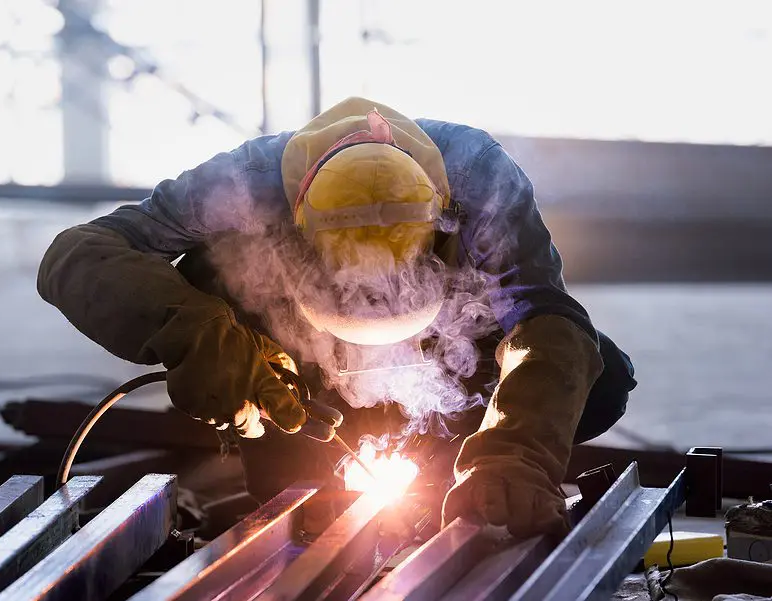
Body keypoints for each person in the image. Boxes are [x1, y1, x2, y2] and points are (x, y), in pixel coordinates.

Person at [37, 97, 636, 539]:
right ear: (297, 229)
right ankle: (294, 468)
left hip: (445, 363)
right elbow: (79, 252)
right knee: (299, 521)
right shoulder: (246, 183)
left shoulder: (478, 176)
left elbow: (547, 322)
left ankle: (448, 469)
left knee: (599, 375)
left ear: (442, 223)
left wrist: (516, 450)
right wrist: (195, 331)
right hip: (297, 369)